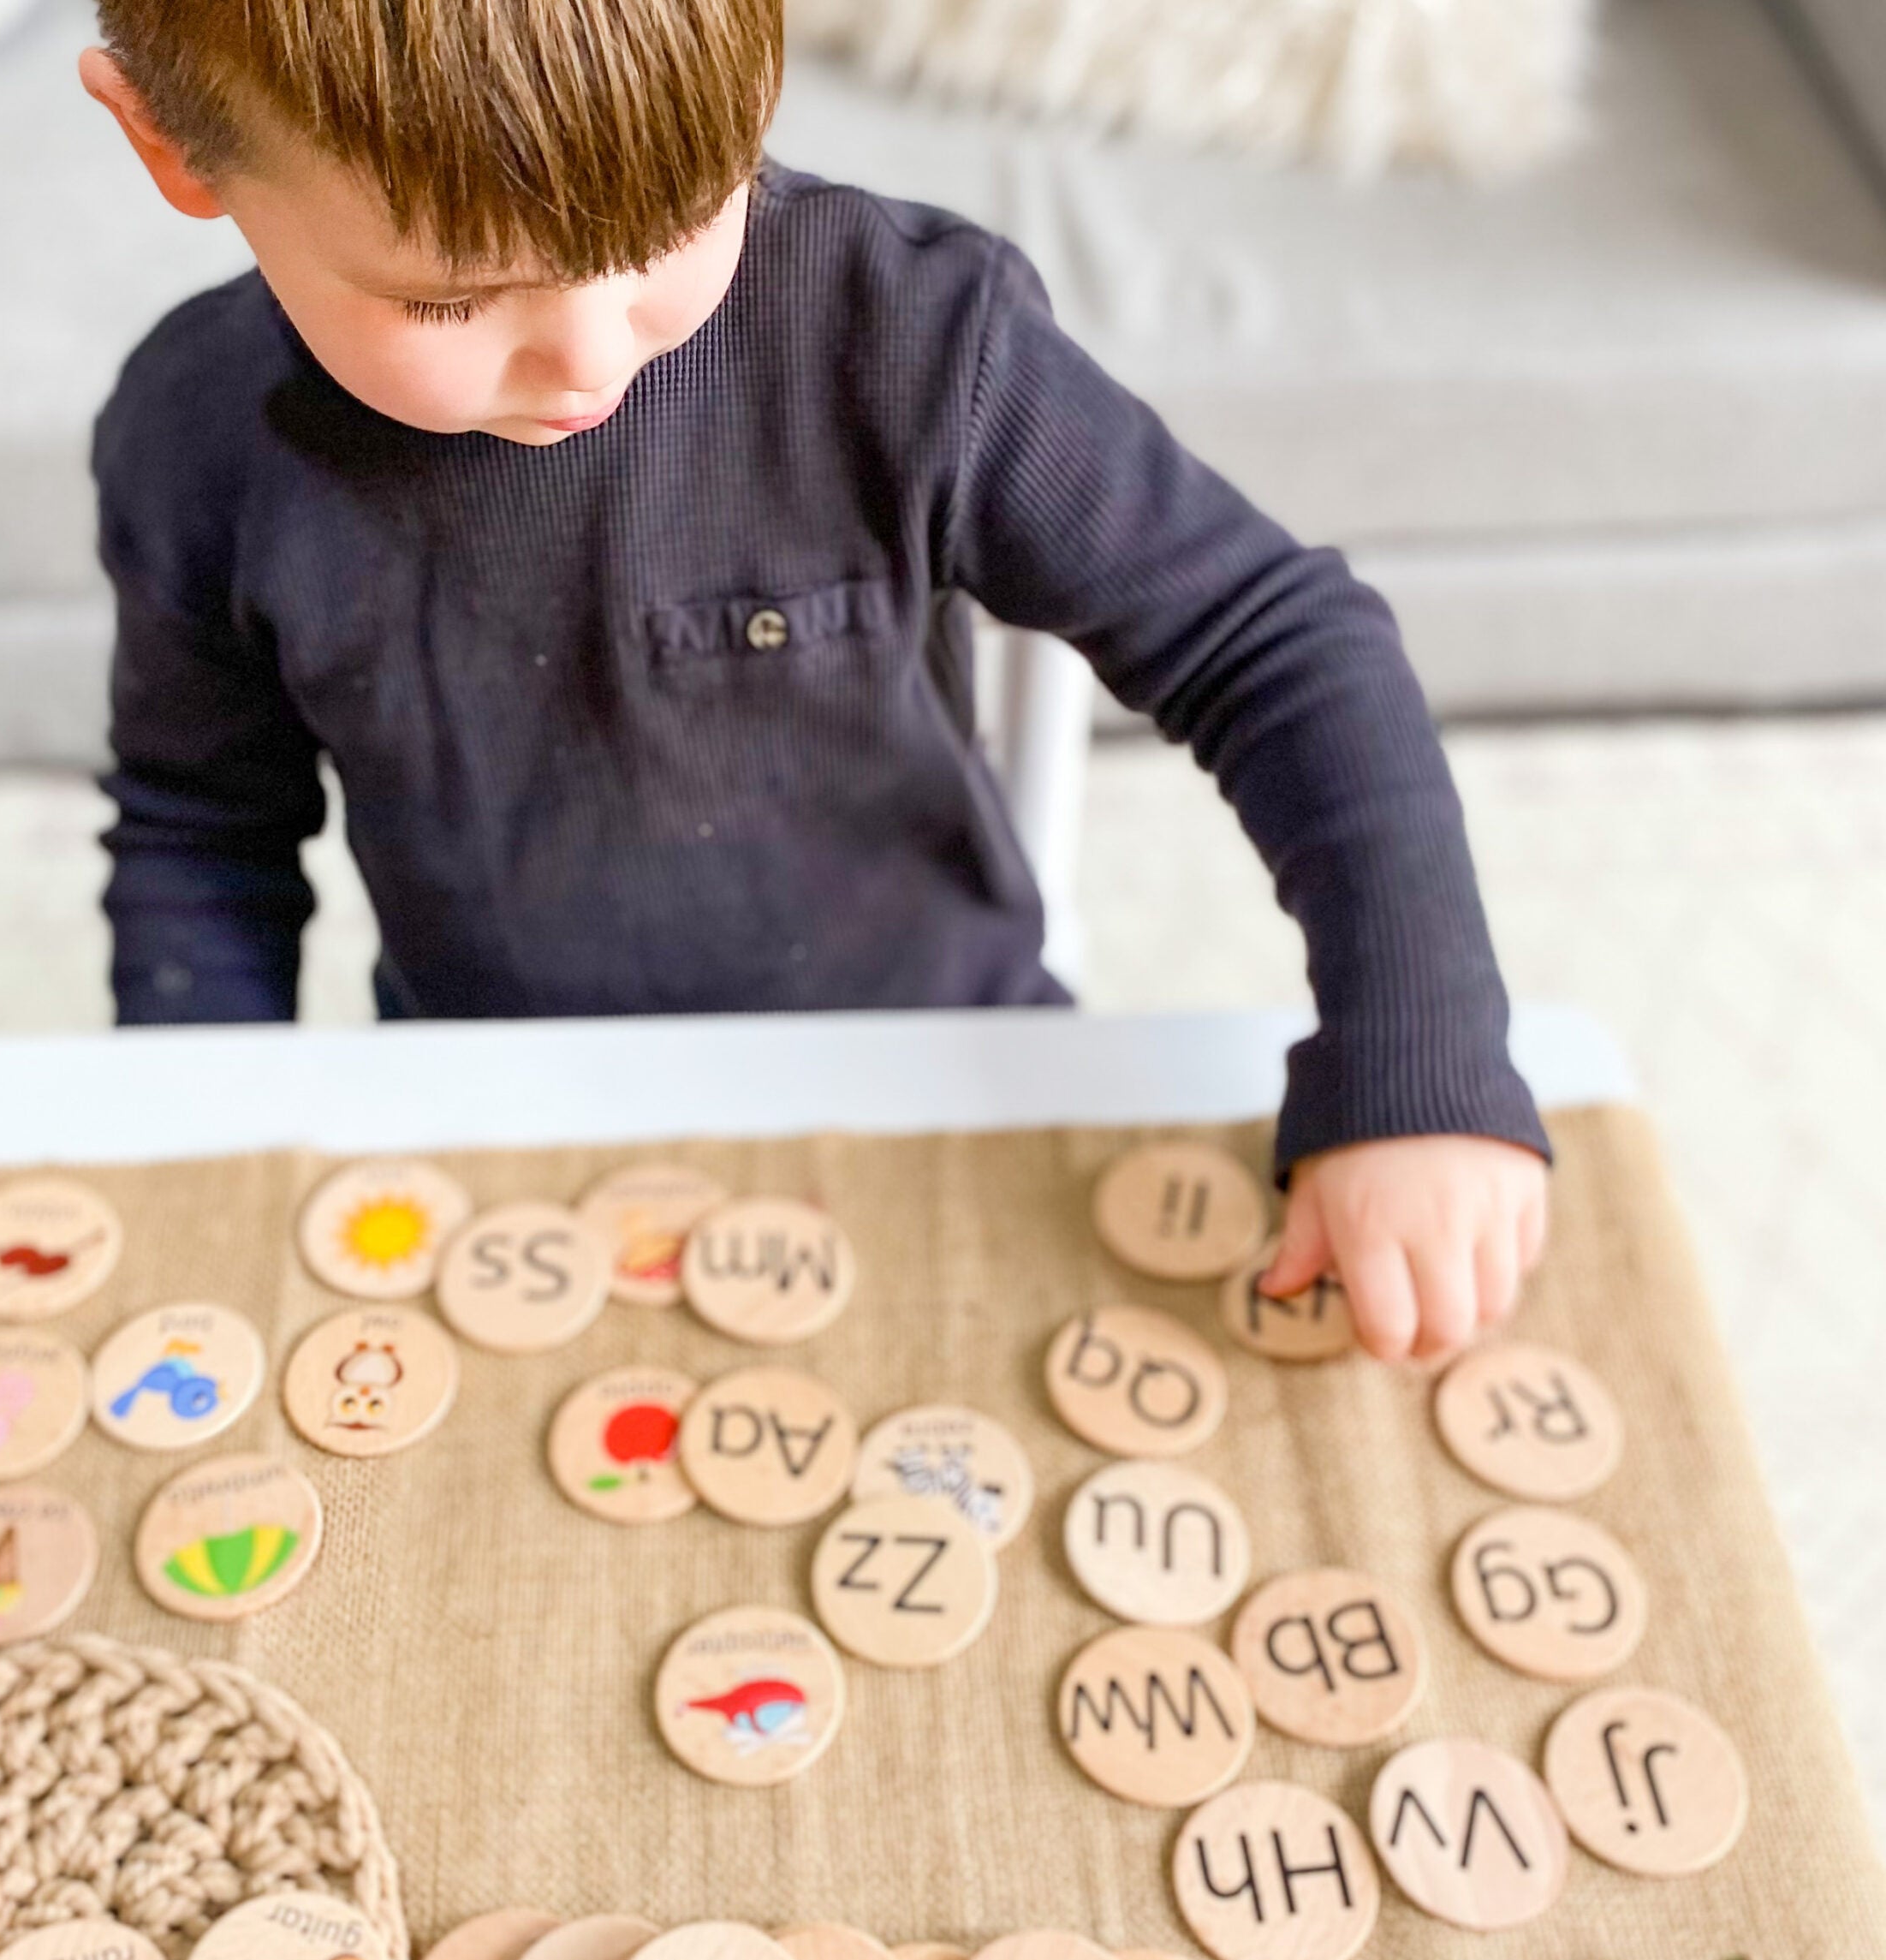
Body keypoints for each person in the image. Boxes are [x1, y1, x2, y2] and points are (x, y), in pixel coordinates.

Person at [80, 0, 1550, 1362]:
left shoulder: (910, 346)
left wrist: (1415, 1063)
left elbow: (1280, 646)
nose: (594, 358)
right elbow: (202, 831)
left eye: (674, 225)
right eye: (455, 304)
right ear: (171, 148)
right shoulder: (200, 440)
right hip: (491, 1116)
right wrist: (207, 1134)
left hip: (934, 1071)